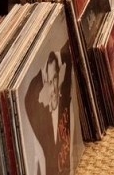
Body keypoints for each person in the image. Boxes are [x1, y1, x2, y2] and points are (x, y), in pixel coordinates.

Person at [25, 43, 73, 175]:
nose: (53, 89)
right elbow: (29, 97)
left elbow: (68, 56)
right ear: (45, 82)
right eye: (50, 82)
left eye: (55, 79)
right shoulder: (43, 119)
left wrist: (60, 58)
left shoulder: (64, 99)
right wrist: (43, 74)